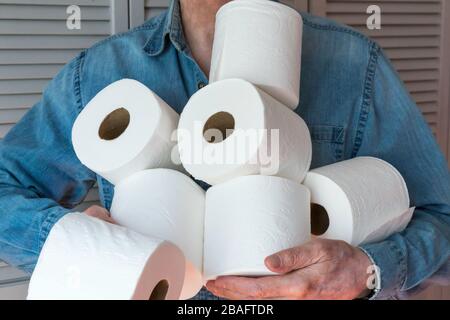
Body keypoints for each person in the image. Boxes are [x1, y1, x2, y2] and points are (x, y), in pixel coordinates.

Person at [0, 0, 448, 300]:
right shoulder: (99, 75)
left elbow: (442, 218)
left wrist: (368, 270)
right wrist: (69, 238)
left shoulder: (354, 67)